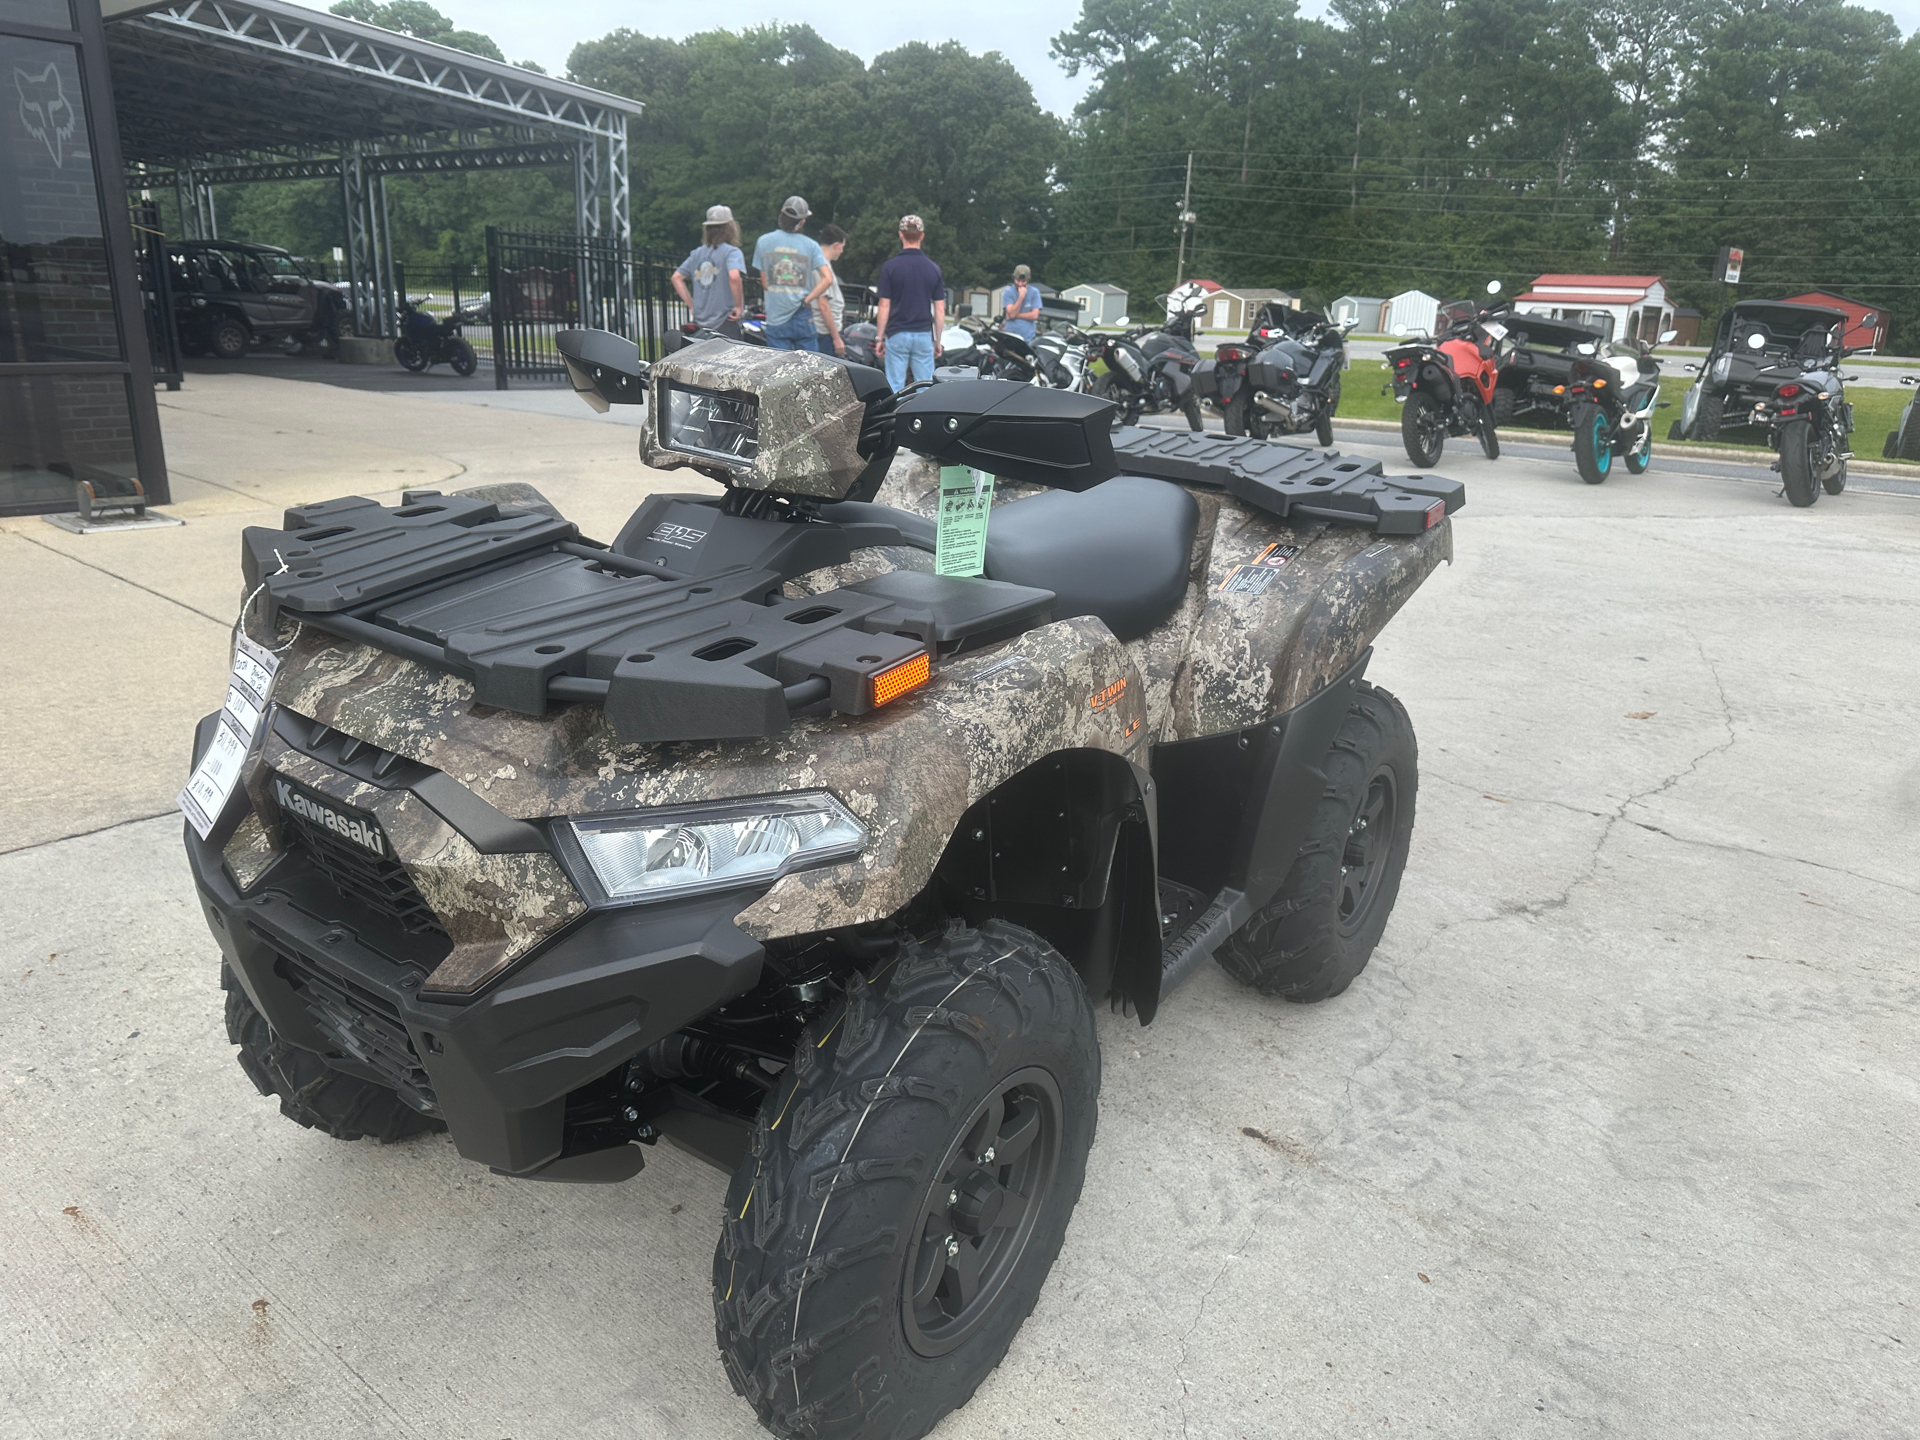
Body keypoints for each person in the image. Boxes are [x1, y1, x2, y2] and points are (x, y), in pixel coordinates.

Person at [751, 195, 833, 352]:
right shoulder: (811, 246)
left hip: (776, 315)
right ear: (802, 222)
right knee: (810, 369)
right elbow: (827, 279)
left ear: (781, 215)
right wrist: (807, 299)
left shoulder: (764, 242)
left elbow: (765, 283)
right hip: (802, 312)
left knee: (780, 368)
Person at [874, 214, 945, 390]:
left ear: (900, 234)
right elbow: (940, 308)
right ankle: (924, 415)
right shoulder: (933, 269)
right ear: (922, 235)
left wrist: (880, 337)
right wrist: (937, 340)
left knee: (895, 385)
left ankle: (895, 417)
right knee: (925, 386)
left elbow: (884, 305)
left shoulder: (890, 267)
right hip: (923, 334)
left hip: (897, 333)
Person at [670, 205, 744, 335]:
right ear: (730, 228)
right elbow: (734, 276)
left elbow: (676, 277)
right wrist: (739, 306)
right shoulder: (732, 252)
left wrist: (692, 305)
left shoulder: (697, 253)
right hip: (725, 319)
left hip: (700, 322)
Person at [812, 224, 848, 356]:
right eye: (842, 247)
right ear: (835, 245)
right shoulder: (822, 268)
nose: (842, 251)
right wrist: (836, 338)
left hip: (824, 332)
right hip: (825, 334)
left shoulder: (817, 263)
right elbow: (823, 305)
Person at [1000, 264, 1041, 342]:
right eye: (1018, 281)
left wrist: (1016, 315)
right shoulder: (1008, 292)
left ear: (1028, 280)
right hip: (1010, 336)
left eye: (1023, 281)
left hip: (1028, 338)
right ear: (1014, 278)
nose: (1020, 284)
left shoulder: (1034, 292)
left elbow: (1035, 315)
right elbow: (1011, 314)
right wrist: (1021, 297)